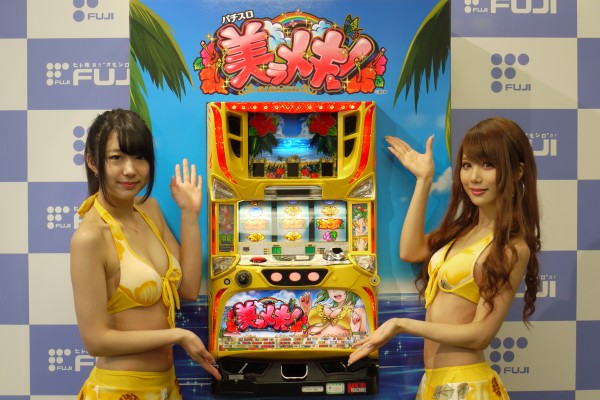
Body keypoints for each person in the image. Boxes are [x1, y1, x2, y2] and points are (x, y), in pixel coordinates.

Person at [348, 117, 541, 399]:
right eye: (467, 165)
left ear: (517, 171)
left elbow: (480, 335)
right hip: (433, 383)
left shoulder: (511, 248)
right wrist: (424, 180)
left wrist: (401, 324)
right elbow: (410, 251)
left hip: (464, 386)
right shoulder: (464, 230)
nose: (474, 177)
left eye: (488, 165)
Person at [70, 109, 221, 399]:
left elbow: (188, 288)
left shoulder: (149, 209)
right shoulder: (90, 237)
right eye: (116, 158)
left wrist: (189, 214)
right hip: (119, 389)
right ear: (92, 162)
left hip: (167, 385)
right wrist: (178, 335)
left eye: (139, 157)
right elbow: (96, 341)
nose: (130, 170)